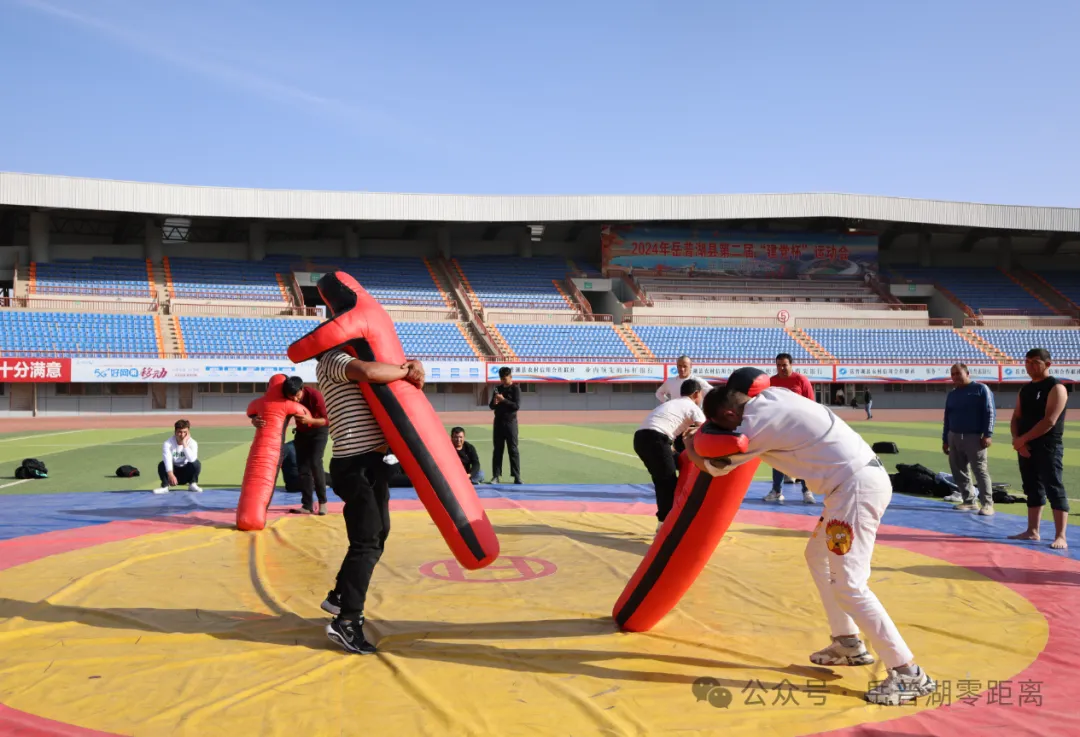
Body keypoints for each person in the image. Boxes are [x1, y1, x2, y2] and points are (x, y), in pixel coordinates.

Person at [684, 369, 936, 706]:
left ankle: (908, 673)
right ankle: (847, 643)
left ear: (729, 414)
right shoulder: (774, 396)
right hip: (851, 486)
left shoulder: (757, 426)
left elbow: (716, 466)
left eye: (722, 424)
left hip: (853, 491)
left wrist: (691, 445)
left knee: (850, 584)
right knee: (817, 556)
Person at [316, 347, 425, 654]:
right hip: (355, 465)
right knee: (367, 542)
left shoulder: (351, 359)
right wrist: (407, 370)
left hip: (370, 464)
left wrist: (411, 366)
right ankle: (347, 621)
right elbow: (369, 372)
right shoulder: (332, 359)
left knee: (378, 534)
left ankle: (340, 596)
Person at [1009, 348, 1068, 549]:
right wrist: (1018, 440)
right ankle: (1032, 530)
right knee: (1032, 487)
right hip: (1026, 446)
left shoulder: (1056, 387)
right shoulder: (1025, 389)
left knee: (1054, 487)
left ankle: (1060, 535)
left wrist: (1022, 440)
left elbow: (1049, 421)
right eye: (1027, 362)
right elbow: (1016, 417)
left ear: (1047, 364)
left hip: (1048, 446)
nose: (1030, 366)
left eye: (1035, 362)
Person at [633, 379, 707, 529]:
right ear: (696, 394)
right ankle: (664, 525)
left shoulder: (671, 403)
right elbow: (705, 430)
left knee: (670, 469)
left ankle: (666, 519)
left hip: (640, 439)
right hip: (656, 439)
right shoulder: (692, 407)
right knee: (667, 483)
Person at [941, 363, 995, 515]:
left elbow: (990, 412)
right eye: (953, 374)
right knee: (959, 471)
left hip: (974, 437)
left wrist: (988, 434)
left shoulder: (980, 389)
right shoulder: (952, 394)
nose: (955, 377)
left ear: (967, 373)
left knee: (980, 470)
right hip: (954, 436)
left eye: (958, 373)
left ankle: (987, 504)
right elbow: (947, 418)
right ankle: (969, 501)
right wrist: (945, 439)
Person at [766, 353, 817, 504]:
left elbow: (811, 404)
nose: (781, 368)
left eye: (784, 365)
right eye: (778, 365)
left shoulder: (801, 380)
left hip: (799, 427)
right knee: (778, 459)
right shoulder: (771, 382)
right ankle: (776, 491)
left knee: (803, 459)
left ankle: (807, 491)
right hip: (779, 427)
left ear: (791, 365)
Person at [655, 355, 712, 453]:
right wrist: (667, 402)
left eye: (685, 366)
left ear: (691, 366)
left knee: (695, 450)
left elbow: (712, 393)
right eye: (679, 366)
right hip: (677, 422)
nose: (682, 369)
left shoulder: (698, 381)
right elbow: (659, 393)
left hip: (693, 421)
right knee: (679, 450)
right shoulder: (671, 382)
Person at [489, 367, 522, 484]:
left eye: (505, 378)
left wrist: (503, 400)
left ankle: (517, 476)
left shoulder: (515, 389)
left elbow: (516, 406)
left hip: (510, 423)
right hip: (498, 422)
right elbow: (491, 406)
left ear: (510, 377)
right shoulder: (497, 389)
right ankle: (496, 476)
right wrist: (494, 402)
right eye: (501, 378)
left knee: (513, 449)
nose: (503, 380)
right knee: (498, 450)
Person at [153, 419, 202, 494]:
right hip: (173, 473)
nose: (182, 435)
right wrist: (171, 475)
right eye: (180, 432)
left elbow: (192, 459)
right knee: (162, 464)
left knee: (196, 463)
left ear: (188, 432)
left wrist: (184, 443)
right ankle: (165, 486)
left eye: (185, 432)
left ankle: (192, 484)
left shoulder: (193, 443)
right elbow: (167, 460)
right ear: (175, 432)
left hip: (186, 473)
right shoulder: (168, 443)